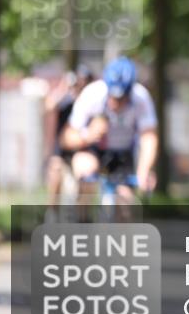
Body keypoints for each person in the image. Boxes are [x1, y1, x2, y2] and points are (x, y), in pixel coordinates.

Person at [61, 56, 159, 211]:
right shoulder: (92, 94)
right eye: (112, 96)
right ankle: (82, 224)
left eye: (121, 98)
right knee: (86, 172)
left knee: (125, 203)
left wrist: (145, 169)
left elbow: (149, 137)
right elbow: (67, 137)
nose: (115, 102)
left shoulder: (141, 98)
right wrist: (88, 135)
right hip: (93, 150)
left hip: (123, 154)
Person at [44, 64, 94, 215]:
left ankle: (83, 217)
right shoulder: (66, 100)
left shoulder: (91, 103)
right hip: (62, 148)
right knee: (55, 170)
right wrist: (63, 87)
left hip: (82, 148)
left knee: (86, 178)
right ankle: (52, 211)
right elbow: (49, 106)